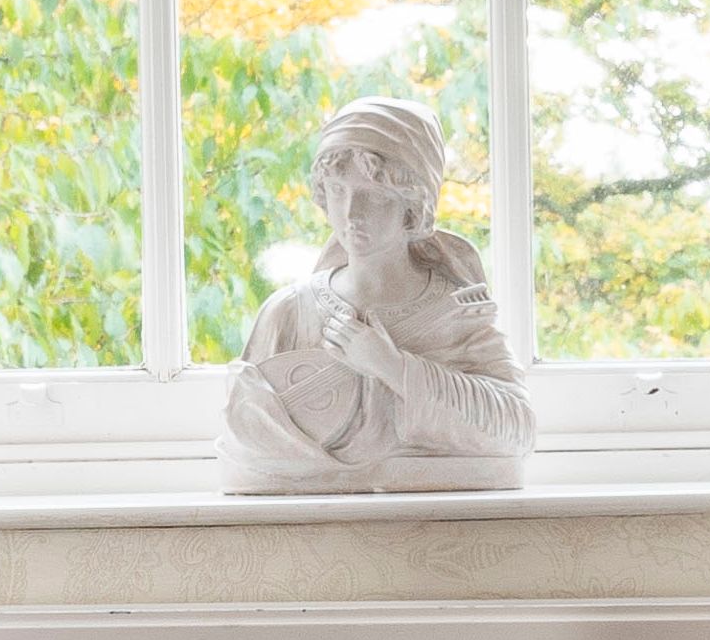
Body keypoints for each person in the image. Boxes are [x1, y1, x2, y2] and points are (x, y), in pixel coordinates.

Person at [220, 96, 533, 492]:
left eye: (374, 194)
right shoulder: (289, 312)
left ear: (412, 209)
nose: (351, 213)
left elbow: (516, 429)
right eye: (337, 190)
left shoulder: (456, 315)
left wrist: (392, 367)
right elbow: (246, 436)